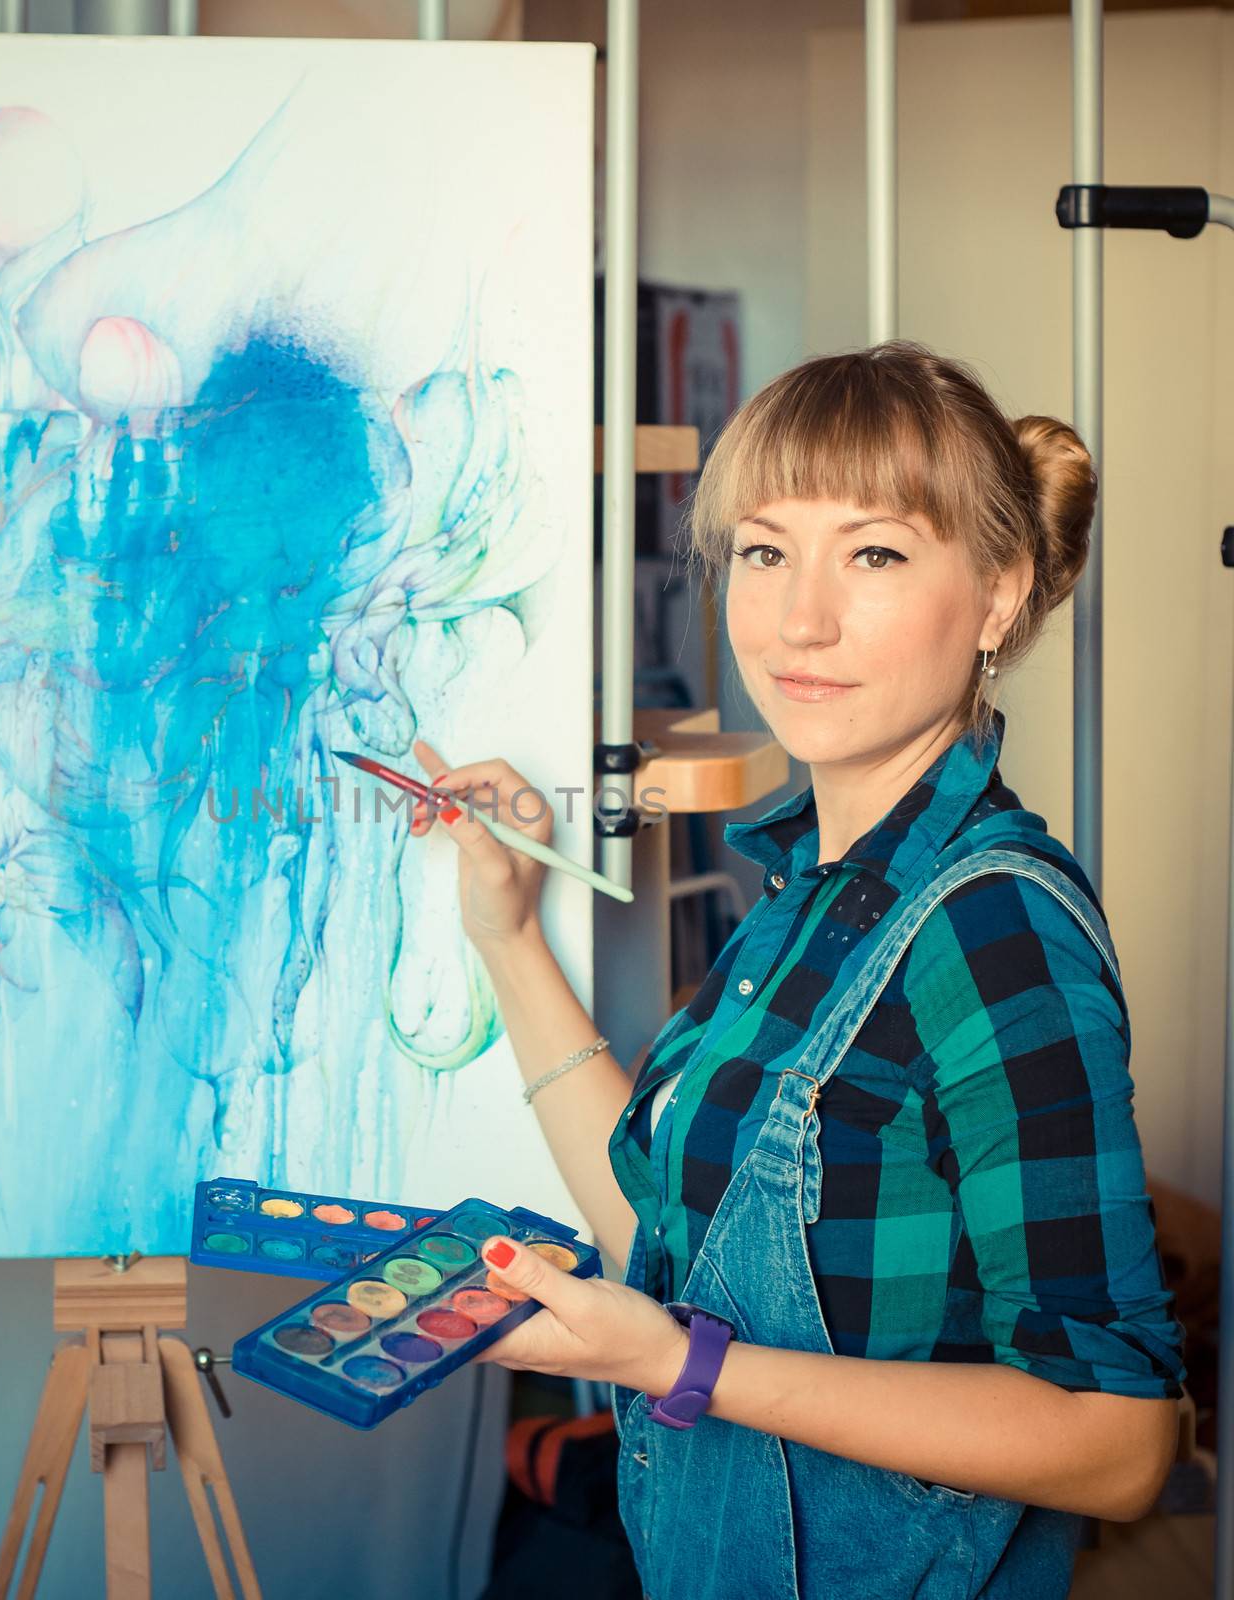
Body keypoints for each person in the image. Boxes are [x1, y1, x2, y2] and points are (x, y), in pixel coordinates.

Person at [405, 340, 1188, 1599]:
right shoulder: (809, 893)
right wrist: (506, 932)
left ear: (996, 595)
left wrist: (678, 1367)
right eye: (764, 551)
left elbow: (1120, 1441)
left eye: (873, 553)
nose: (798, 619)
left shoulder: (991, 928)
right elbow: (667, 1236)